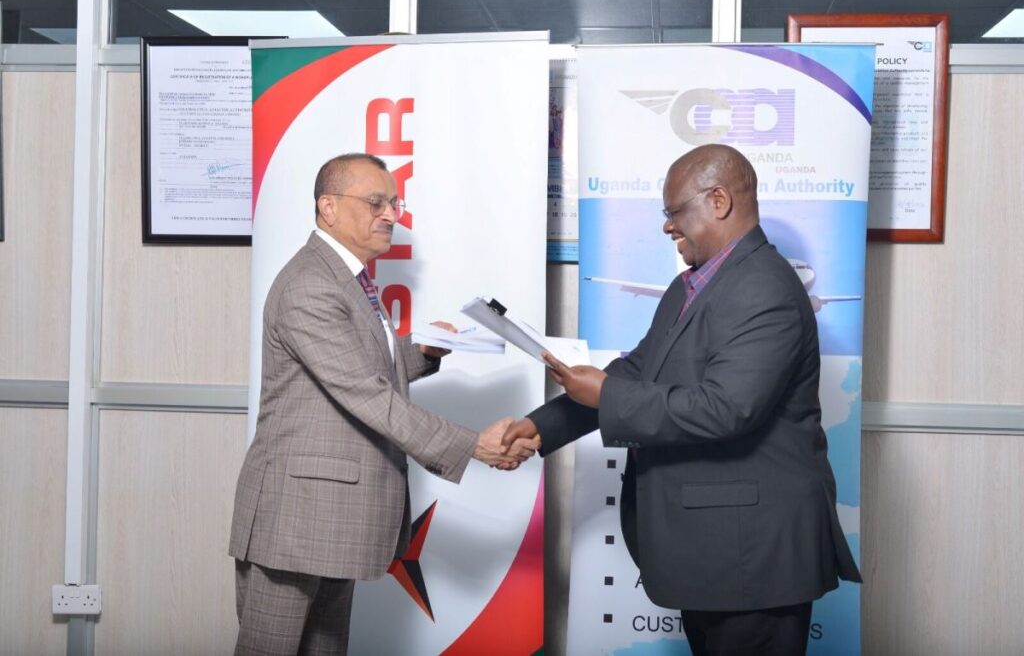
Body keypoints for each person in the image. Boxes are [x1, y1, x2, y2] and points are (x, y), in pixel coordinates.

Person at [503, 144, 861, 655]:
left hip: (752, 557)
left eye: (674, 213)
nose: (668, 227)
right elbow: (635, 371)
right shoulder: (690, 284)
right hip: (713, 552)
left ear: (718, 201)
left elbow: (725, 409)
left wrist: (607, 393)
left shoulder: (765, 287)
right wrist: (543, 428)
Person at [229, 153, 534, 655]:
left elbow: (359, 369)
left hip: (332, 518)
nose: (392, 215)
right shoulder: (310, 284)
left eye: (395, 203)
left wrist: (423, 351)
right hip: (296, 520)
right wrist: (472, 445)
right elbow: (365, 393)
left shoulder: (347, 278)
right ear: (328, 207)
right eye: (376, 202)